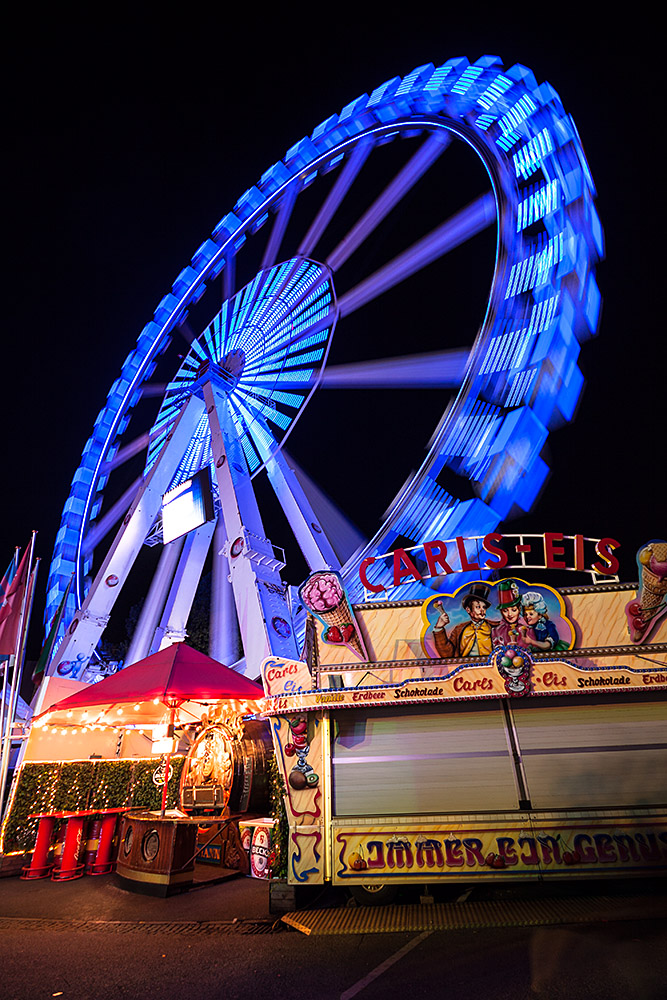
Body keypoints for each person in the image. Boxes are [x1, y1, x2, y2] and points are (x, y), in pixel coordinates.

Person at [432, 583, 498, 658]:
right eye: (478, 607)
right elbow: (447, 654)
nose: (482, 610)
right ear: (468, 610)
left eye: (484, 607)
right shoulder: (459, 630)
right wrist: (439, 628)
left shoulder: (495, 627)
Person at [492, 580, 536, 649]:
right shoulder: (496, 631)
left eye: (514, 610)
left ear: (519, 609)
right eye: (505, 611)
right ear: (501, 612)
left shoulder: (528, 630)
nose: (510, 614)